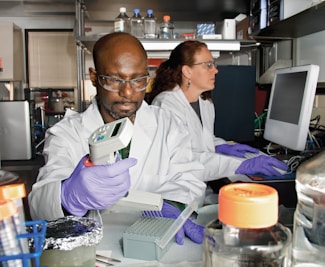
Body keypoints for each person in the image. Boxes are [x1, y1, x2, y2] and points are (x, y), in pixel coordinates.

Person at [28, 33, 206, 245]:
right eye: (114, 79)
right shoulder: (67, 132)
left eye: (138, 80)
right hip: (94, 253)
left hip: (158, 243)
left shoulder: (169, 125)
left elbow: (191, 179)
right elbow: (39, 206)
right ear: (94, 77)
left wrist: (171, 205)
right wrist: (67, 197)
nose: (128, 92)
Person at [147, 40, 288, 185]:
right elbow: (182, 160)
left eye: (214, 64)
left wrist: (219, 145)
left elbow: (201, 138)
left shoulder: (204, 102)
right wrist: (239, 165)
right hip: (175, 193)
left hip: (200, 186)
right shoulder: (166, 105)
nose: (215, 70)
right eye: (208, 65)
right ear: (187, 71)